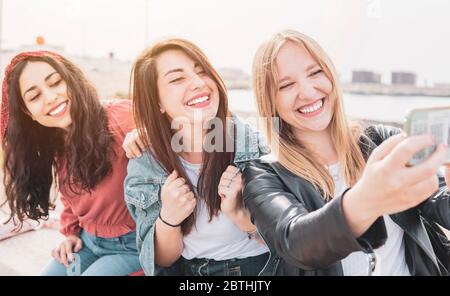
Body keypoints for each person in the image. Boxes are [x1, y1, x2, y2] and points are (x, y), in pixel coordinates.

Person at [243, 29, 450, 276]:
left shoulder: (382, 142)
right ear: (270, 101)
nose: (308, 92)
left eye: (315, 72)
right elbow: (296, 243)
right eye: (286, 85)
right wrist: (368, 197)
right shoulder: (264, 175)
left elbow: (439, 203)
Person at [124, 38, 270, 276]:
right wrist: (169, 218)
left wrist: (242, 217)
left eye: (202, 72)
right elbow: (161, 260)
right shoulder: (146, 163)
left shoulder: (257, 150)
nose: (198, 82)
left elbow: (288, 241)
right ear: (157, 101)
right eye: (177, 79)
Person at [1, 51, 142, 276]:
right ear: (29, 113)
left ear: (71, 80)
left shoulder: (121, 116)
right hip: (88, 242)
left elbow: (175, 133)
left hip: (133, 246)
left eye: (56, 82)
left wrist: (144, 135)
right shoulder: (55, 144)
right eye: (34, 96)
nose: (49, 97)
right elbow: (71, 199)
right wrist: (71, 234)